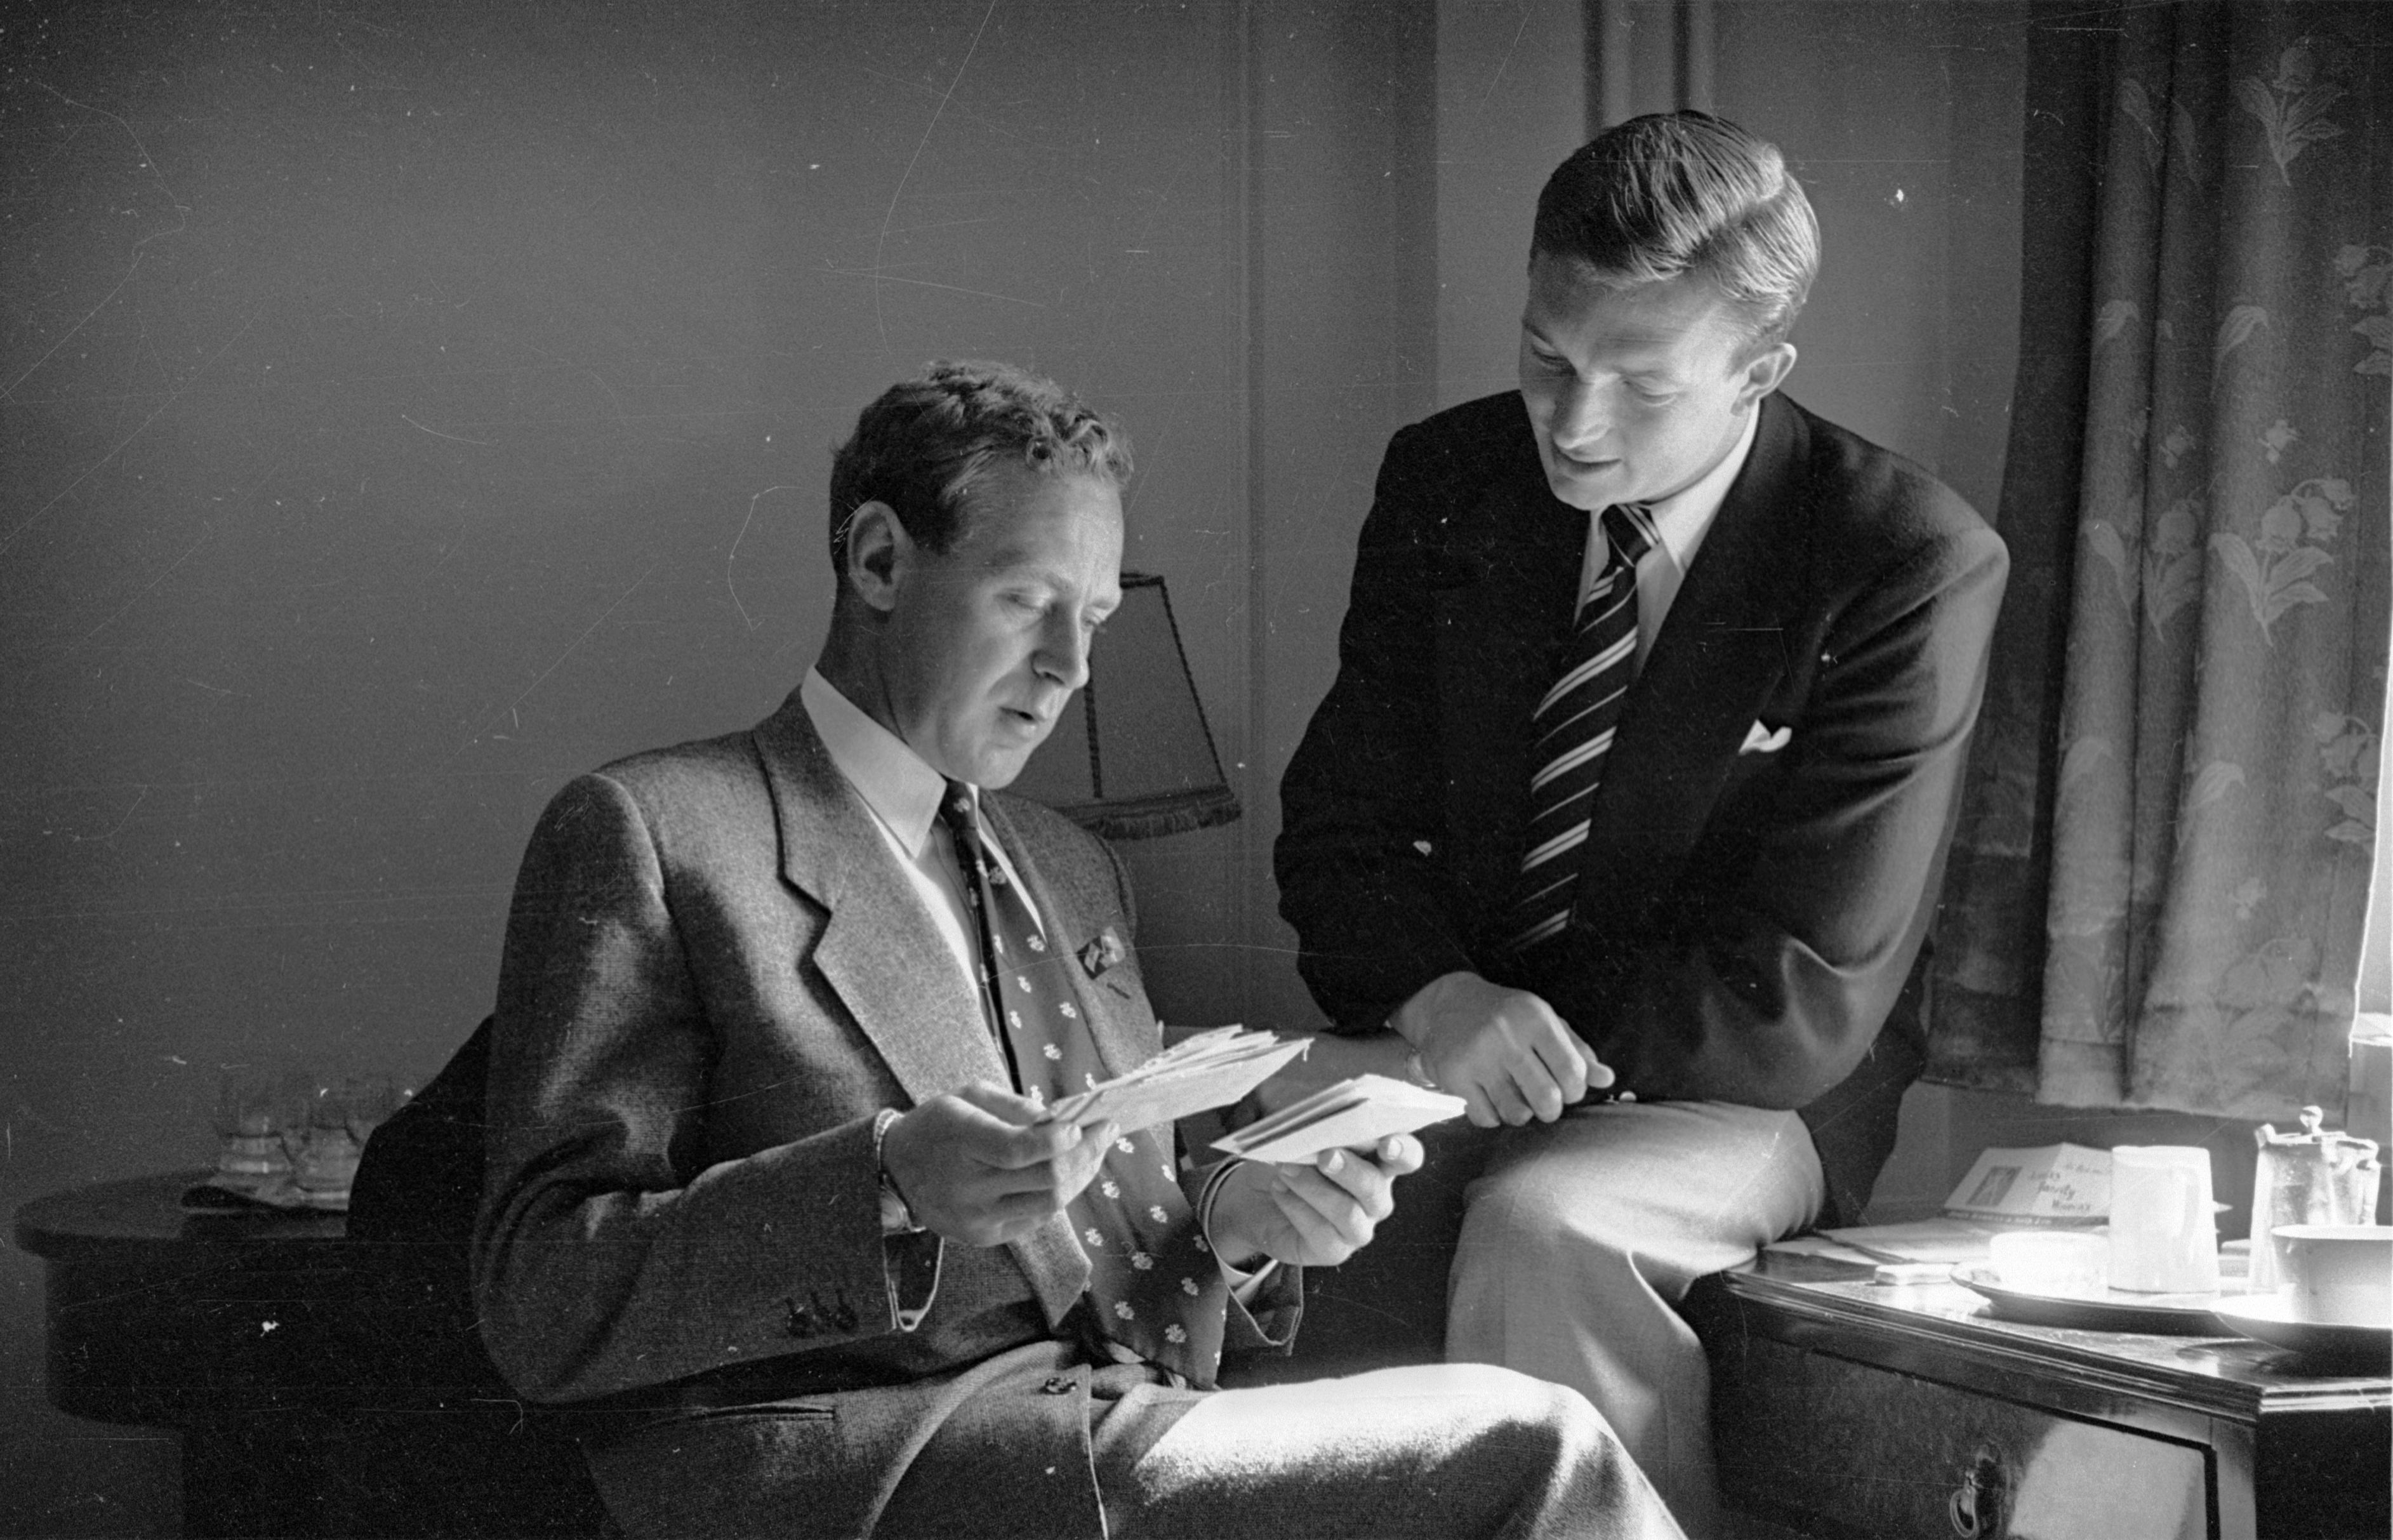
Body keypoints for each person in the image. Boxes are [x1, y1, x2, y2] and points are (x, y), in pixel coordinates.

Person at [471, 359, 1682, 1540]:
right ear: (879, 559)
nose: (1070, 666)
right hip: (874, 1469)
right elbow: (540, 1298)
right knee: (1532, 1444)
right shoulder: (661, 831)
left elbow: (1097, 1248)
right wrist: (883, 1182)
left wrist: (1239, 1226)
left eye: (1093, 615)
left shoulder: (1065, 864)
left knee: (1522, 1447)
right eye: (1024, 600)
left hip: (1099, 1433)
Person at [1274, 112, 2009, 1536]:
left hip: (1738, 1088)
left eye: (1638, 382)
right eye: (1547, 354)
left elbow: (1801, 991)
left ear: (1759, 371)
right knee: (1224, 1191)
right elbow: (1335, 828)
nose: (1573, 420)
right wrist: (1439, 998)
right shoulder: (1445, 481)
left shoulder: (1903, 559)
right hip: (1449, 1034)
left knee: (1546, 1227)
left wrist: (1506, 1037)